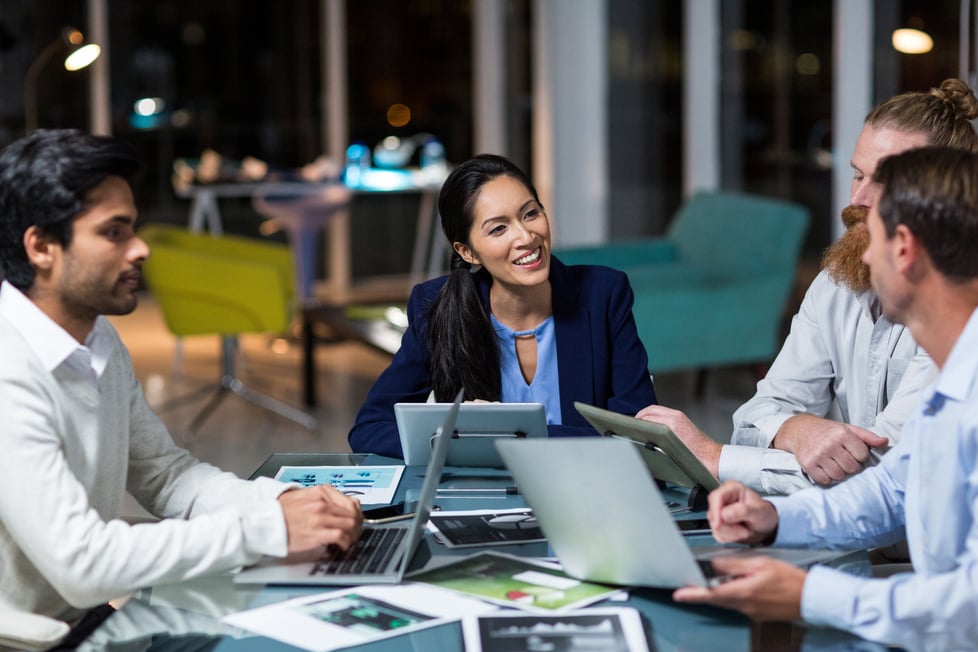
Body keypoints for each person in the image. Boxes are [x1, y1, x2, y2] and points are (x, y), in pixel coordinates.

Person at [0, 129, 362, 626]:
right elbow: (81, 562)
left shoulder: (99, 339)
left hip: (82, 622)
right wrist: (268, 528)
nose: (140, 248)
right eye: (114, 232)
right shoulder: (8, 370)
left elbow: (167, 476)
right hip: (28, 647)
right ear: (42, 247)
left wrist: (282, 502)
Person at [673, 145, 978, 652]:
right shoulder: (960, 359)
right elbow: (894, 490)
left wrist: (811, 597)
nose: (863, 256)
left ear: (905, 249)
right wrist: (778, 518)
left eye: (875, 238)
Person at [637, 78, 978, 494]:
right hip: (852, 536)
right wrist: (796, 428)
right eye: (858, 175)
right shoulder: (838, 283)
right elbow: (753, 418)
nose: (859, 199)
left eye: (886, 183)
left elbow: (887, 477)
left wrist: (714, 457)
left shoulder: (969, 314)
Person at [349, 154, 657, 457]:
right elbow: (371, 428)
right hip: (483, 496)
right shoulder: (435, 306)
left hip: (586, 488)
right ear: (467, 251)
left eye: (530, 213)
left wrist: (505, 433)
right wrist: (465, 437)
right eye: (499, 229)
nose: (526, 236)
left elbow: (639, 437)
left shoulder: (603, 295)